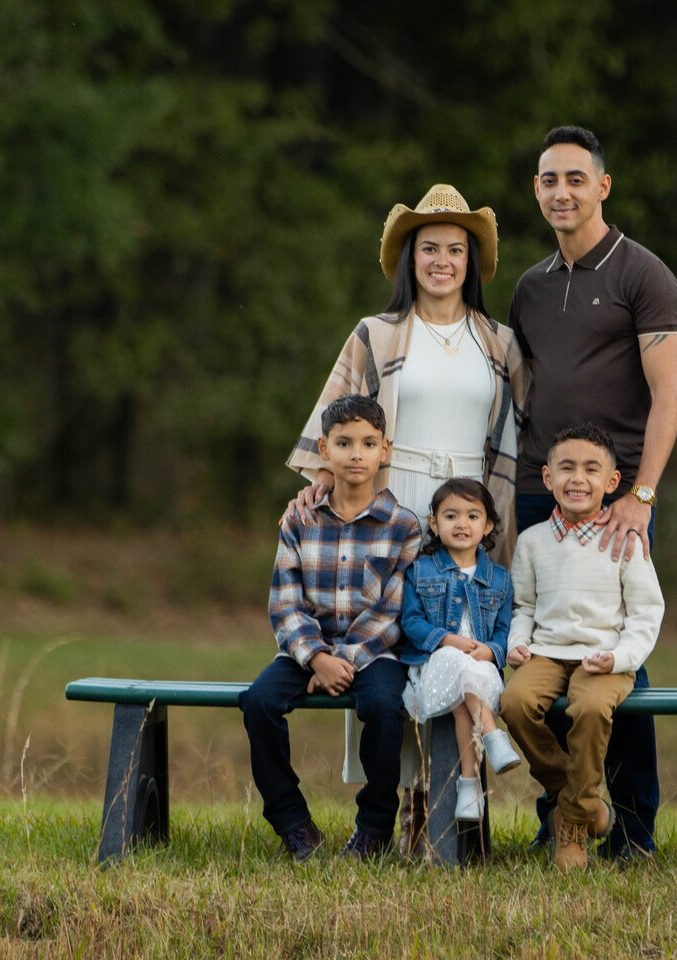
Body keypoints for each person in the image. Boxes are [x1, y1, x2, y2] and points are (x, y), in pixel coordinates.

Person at [285, 184, 528, 853]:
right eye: (430, 249)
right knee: (389, 650)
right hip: (391, 499)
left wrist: (495, 519)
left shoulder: (499, 342)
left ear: (472, 261)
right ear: (409, 259)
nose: (443, 261)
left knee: (455, 645)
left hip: (465, 509)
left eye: (456, 249)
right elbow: (334, 430)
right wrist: (320, 488)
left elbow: (512, 443)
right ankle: (394, 809)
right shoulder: (378, 333)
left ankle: (453, 813)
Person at [507, 125, 677, 859]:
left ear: (602, 187)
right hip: (537, 492)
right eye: (549, 180)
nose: (562, 192)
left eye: (576, 178)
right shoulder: (531, 286)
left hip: (617, 500)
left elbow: (669, 394)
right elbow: (521, 390)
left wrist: (640, 495)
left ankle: (633, 828)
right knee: (538, 666)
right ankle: (568, 818)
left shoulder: (642, 275)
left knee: (618, 665)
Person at [239, 395, 422, 862]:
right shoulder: (300, 519)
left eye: (367, 443)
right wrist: (316, 657)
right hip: (307, 651)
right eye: (343, 443)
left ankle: (374, 828)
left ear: (386, 450)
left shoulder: (403, 526)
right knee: (258, 701)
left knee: (384, 706)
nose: (356, 454)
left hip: (373, 653)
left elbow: (394, 610)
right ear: (324, 449)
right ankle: (293, 824)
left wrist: (346, 660)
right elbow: (284, 599)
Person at [500, 423, 664, 869]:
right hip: (548, 653)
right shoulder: (532, 542)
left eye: (591, 469)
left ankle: (571, 824)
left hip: (605, 659)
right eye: (566, 468)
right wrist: (518, 643)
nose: (578, 478)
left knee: (590, 709)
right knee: (514, 701)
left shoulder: (626, 539)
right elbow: (524, 606)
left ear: (612, 482)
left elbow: (647, 613)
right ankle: (586, 803)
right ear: (547, 477)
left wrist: (620, 657)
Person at [399, 478, 521, 822]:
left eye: (472, 516)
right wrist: (447, 640)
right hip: (433, 665)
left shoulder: (500, 578)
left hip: (479, 670)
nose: (462, 524)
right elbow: (411, 621)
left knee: (467, 683)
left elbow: (503, 630)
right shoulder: (420, 571)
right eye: (451, 516)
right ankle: (492, 736)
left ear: (488, 525)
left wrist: (491, 650)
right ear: (435, 524)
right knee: (454, 662)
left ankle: (469, 786)